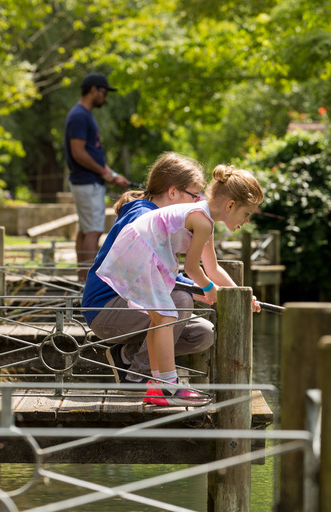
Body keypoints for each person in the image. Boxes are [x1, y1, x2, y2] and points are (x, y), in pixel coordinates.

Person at [96, 164, 263, 406]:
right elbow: (192, 269)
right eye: (247, 213)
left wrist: (243, 296)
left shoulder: (204, 217)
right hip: (141, 254)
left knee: (159, 319)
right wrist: (209, 289)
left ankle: (156, 385)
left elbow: (212, 267)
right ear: (230, 205)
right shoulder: (202, 221)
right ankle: (169, 387)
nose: (246, 220)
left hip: (141, 253)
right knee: (167, 316)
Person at [81, 152, 214, 398]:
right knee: (180, 300)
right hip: (106, 310)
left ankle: (126, 356)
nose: (197, 202)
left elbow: (162, 274)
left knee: (202, 333)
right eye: (194, 195)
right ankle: (139, 378)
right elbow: (154, 275)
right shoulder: (143, 216)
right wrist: (202, 288)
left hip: (133, 306)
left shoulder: (161, 219)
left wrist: (204, 289)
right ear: (173, 192)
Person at [64, 72, 130, 282]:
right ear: (93, 90)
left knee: (85, 230)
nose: (105, 97)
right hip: (87, 183)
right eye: (104, 92)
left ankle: (82, 280)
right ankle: (88, 283)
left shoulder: (83, 115)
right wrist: (104, 173)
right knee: (93, 230)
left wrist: (113, 175)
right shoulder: (79, 116)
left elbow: (93, 153)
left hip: (88, 182)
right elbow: (78, 152)